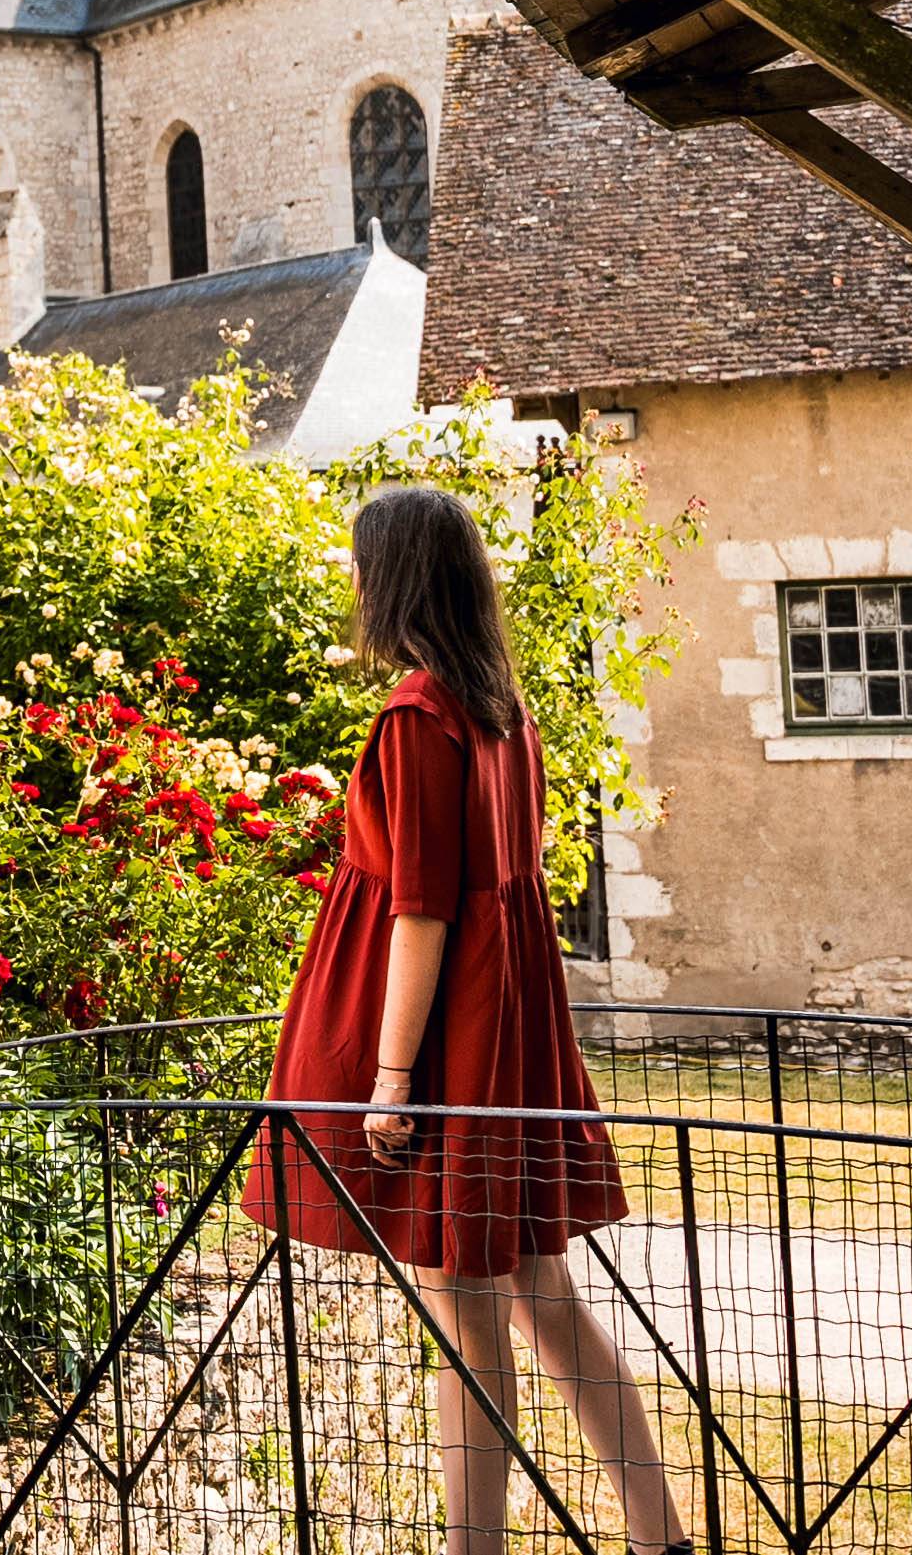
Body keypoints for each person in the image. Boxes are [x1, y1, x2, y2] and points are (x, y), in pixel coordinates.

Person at [242, 485, 682, 1555]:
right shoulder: (502, 712)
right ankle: (660, 1536)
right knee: (538, 1295)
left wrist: (391, 1078)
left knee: (465, 1310)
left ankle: (471, 1551)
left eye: (358, 564)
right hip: (503, 1033)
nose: (349, 583)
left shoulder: (418, 715)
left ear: (390, 576)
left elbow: (421, 908)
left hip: (451, 1044)